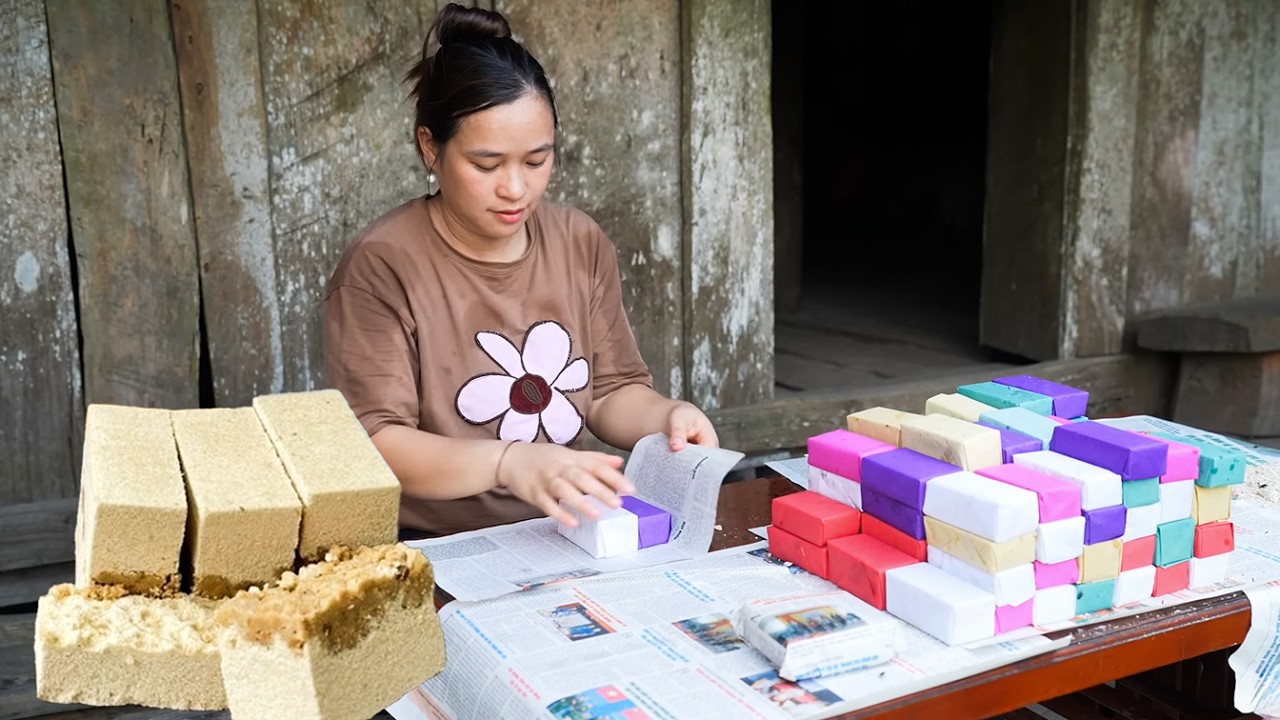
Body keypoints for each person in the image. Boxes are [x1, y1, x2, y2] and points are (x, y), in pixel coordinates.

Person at [323, 3, 718, 536]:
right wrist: (509, 460)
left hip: (567, 530)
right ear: (429, 148)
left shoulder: (578, 242)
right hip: (436, 545)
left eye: (536, 161)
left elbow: (608, 391)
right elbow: (377, 440)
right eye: (486, 165)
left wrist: (666, 418)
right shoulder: (383, 265)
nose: (515, 188)